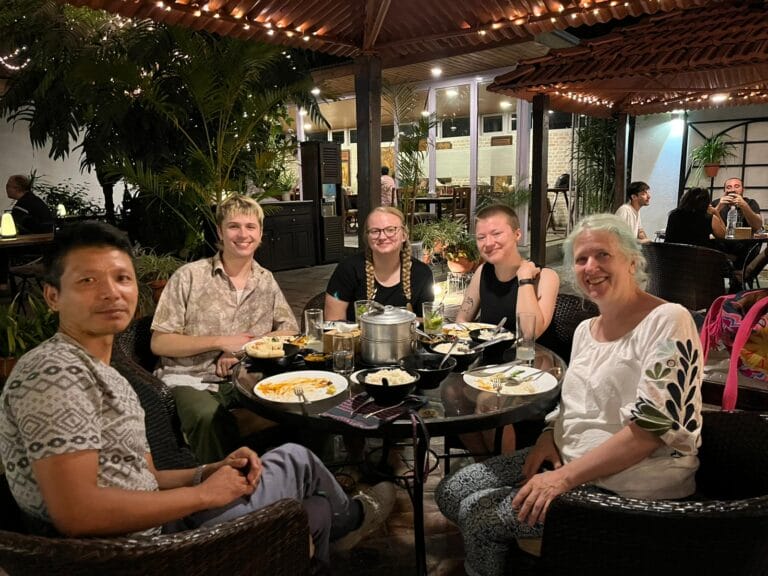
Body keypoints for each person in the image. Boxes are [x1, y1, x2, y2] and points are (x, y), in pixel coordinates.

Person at [0, 221, 395, 568]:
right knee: (298, 465)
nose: (110, 292)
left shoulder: (107, 374)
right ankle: (357, 517)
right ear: (53, 296)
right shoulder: (54, 372)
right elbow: (78, 513)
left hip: (151, 525)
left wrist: (207, 470)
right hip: (144, 551)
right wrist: (203, 495)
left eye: (122, 278)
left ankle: (335, 527)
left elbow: (146, 476)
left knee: (315, 505)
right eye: (87, 280)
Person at [436, 214, 703, 576]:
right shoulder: (585, 330)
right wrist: (549, 433)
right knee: (451, 490)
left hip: (628, 488)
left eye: (602, 255)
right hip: (568, 456)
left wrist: (563, 479)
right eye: (581, 259)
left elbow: (650, 430)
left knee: (480, 518)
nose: (591, 267)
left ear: (632, 260)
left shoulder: (667, 319)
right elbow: (573, 401)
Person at [151, 195, 298, 464]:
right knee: (208, 417)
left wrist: (243, 349)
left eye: (250, 227)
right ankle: (219, 494)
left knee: (300, 400)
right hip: (190, 378)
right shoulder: (190, 276)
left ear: (260, 232)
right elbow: (160, 342)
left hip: (244, 375)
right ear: (220, 231)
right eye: (234, 226)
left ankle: (289, 478)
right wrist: (220, 341)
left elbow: (289, 330)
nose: (243, 234)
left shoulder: (265, 280)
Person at [455, 203, 559, 455]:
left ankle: (507, 471)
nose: (488, 242)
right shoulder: (483, 272)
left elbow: (531, 333)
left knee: (488, 402)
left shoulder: (544, 277)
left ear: (517, 234)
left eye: (496, 234)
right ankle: (485, 468)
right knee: (452, 395)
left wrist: (523, 279)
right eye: (481, 237)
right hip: (490, 369)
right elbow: (461, 323)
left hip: (532, 372)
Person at [325, 206, 433, 322]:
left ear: (404, 235)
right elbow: (333, 323)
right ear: (367, 237)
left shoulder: (422, 273)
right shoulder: (348, 269)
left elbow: (426, 323)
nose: (382, 237)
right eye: (375, 231)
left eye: (391, 230)